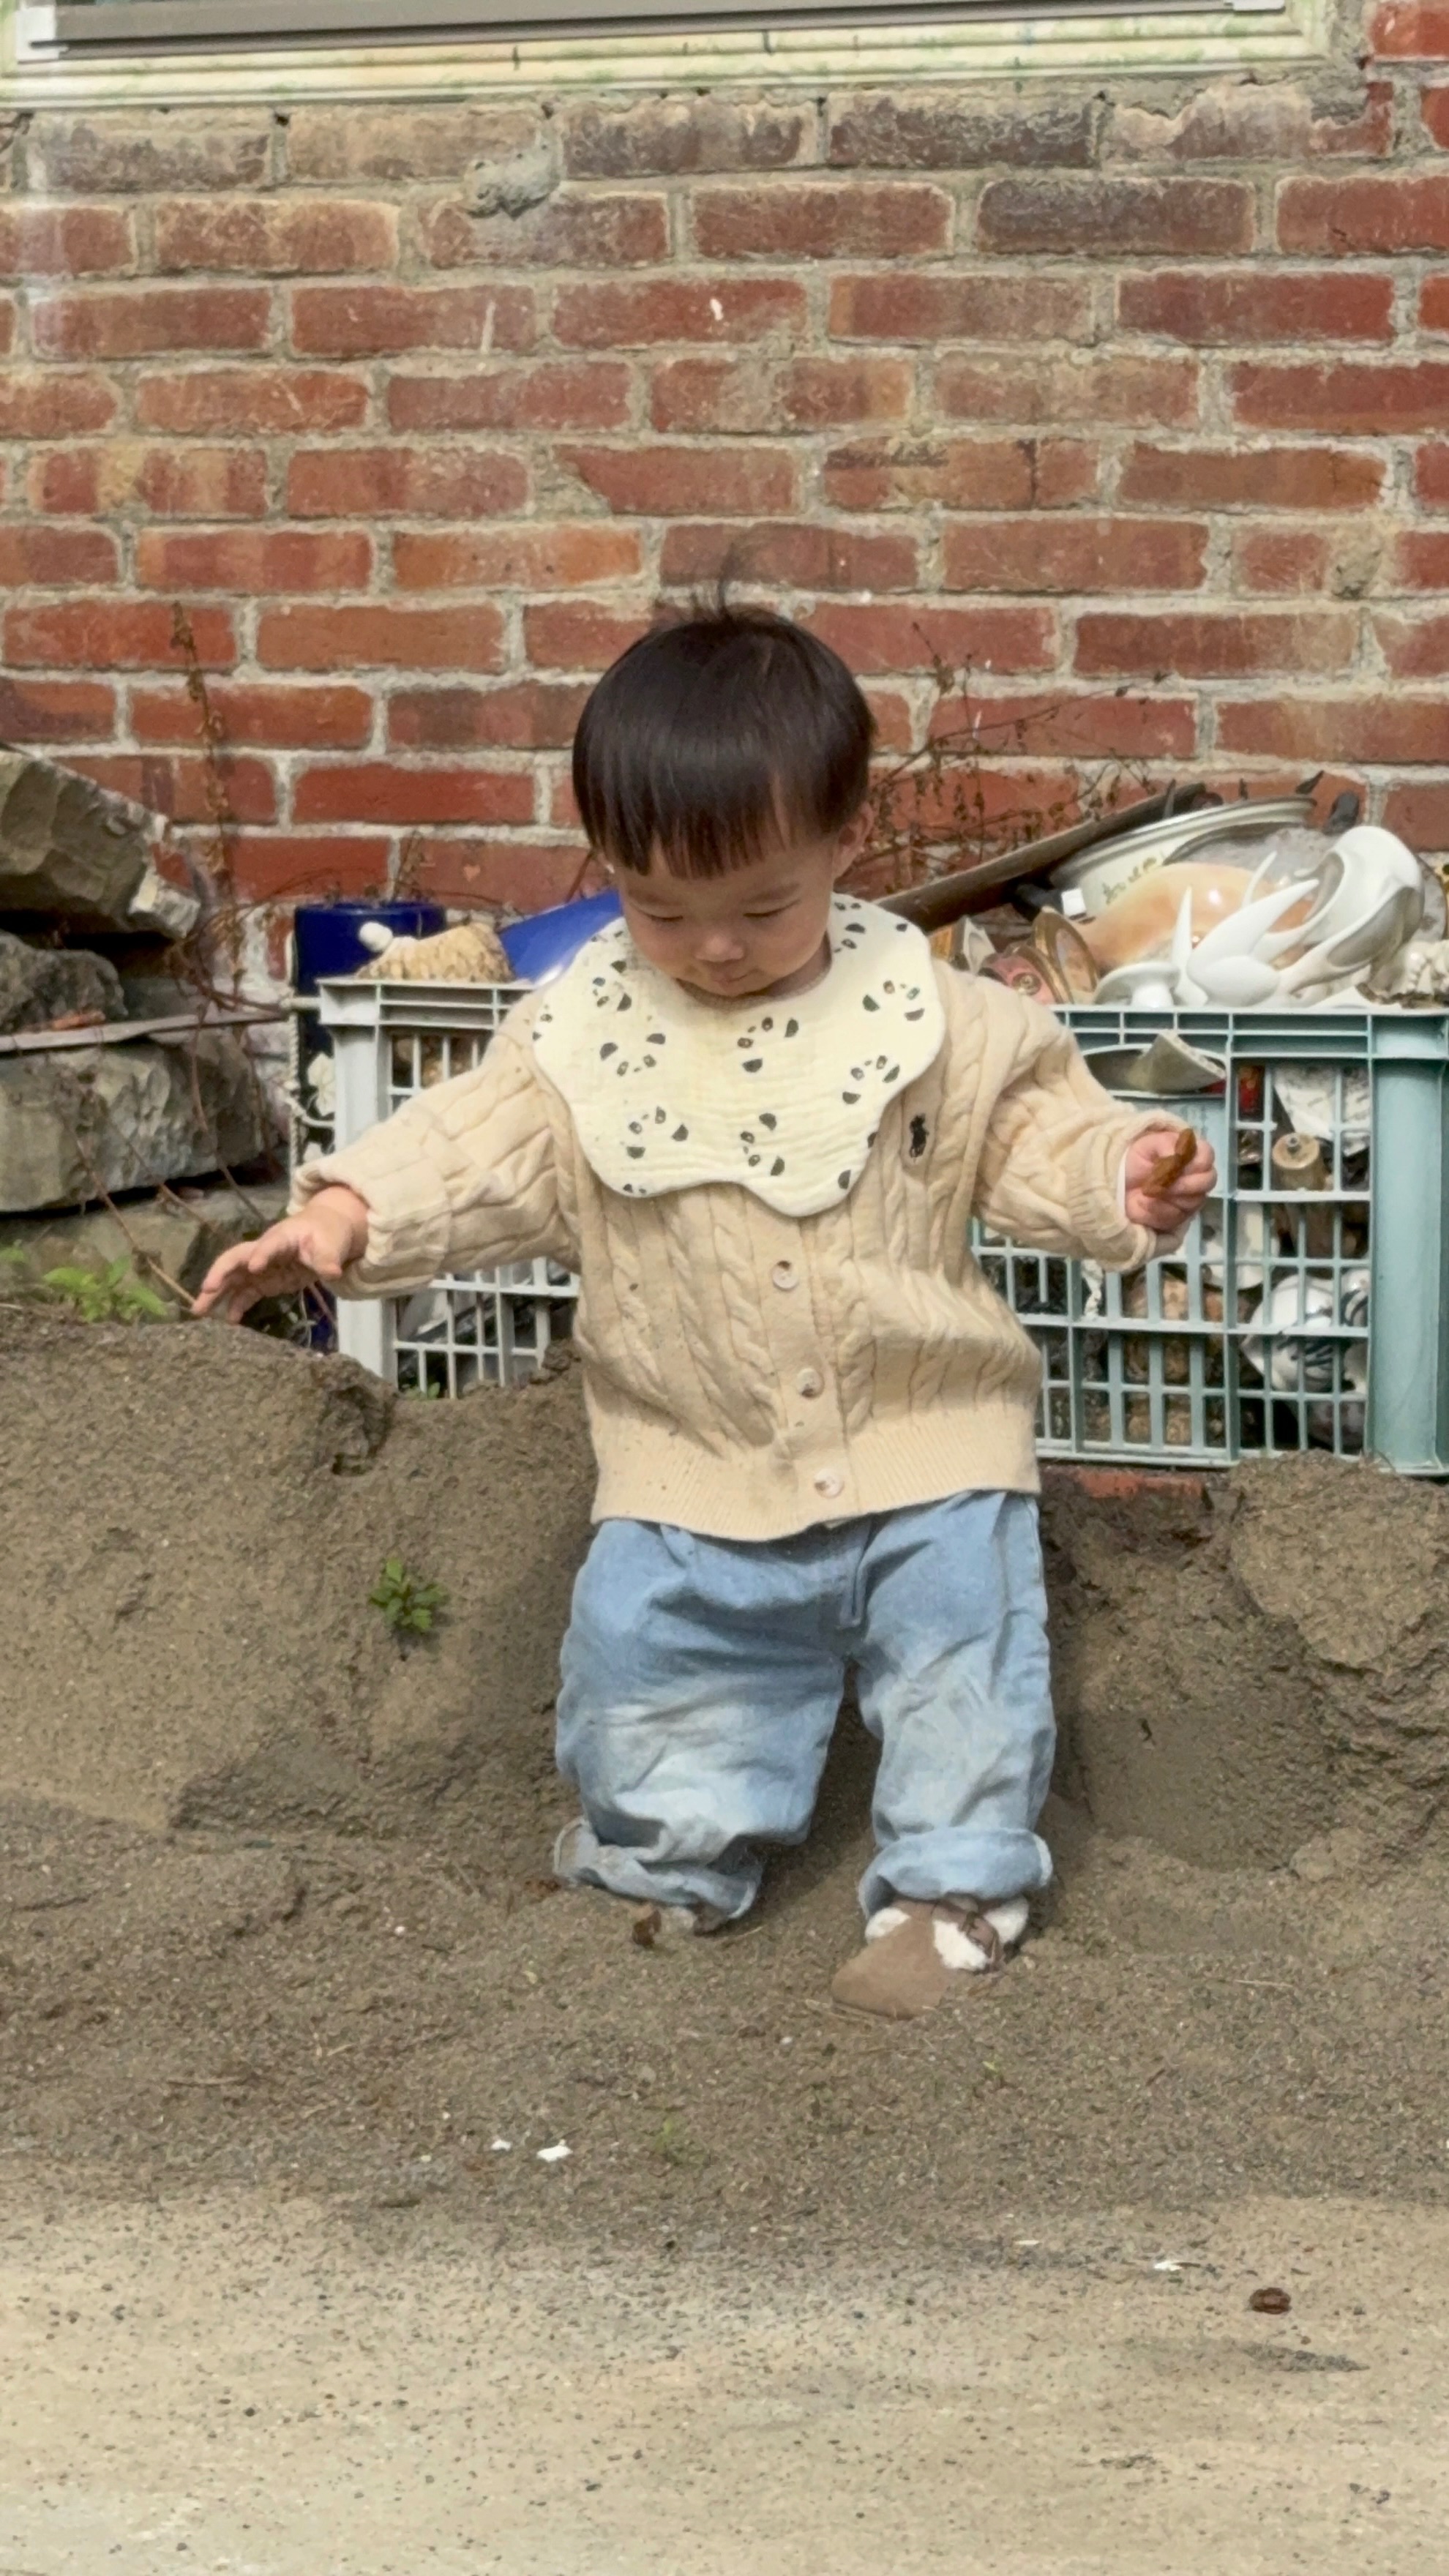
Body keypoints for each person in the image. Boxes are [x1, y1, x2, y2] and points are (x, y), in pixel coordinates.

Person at [197, 607, 1214, 2021]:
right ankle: (661, 1870)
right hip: (685, 1466)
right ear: (608, 869)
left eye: (759, 907)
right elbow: (472, 1146)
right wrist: (344, 1218)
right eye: (661, 910)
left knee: (963, 1677)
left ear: (848, 839)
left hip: (931, 1448)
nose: (715, 948)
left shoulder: (940, 1016)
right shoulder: (577, 1034)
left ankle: (954, 1886)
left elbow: (1033, 1135)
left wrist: (1125, 1175)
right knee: (653, 1678)